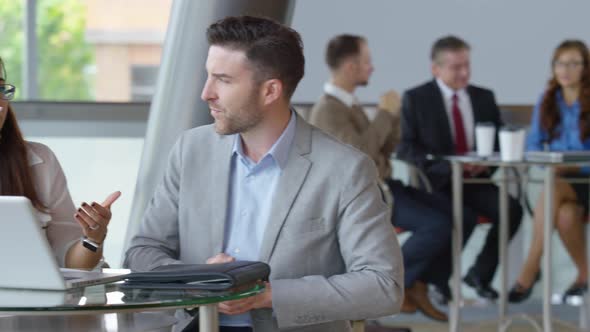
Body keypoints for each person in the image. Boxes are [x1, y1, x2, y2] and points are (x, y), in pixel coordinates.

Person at [124, 16, 403, 332]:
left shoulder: (344, 169)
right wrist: (196, 278)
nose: (206, 93)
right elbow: (142, 252)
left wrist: (270, 295)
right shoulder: (191, 150)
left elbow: (383, 285)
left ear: (270, 91)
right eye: (208, 76)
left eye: (223, 80)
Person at [309, 34, 451, 321]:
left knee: (453, 212)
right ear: (350, 66)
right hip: (368, 194)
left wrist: (393, 117)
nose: (372, 68)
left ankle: (415, 284)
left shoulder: (350, 104)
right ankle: (394, 285)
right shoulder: (328, 110)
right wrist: (385, 114)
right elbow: (360, 157)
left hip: (386, 184)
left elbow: (384, 149)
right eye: (367, 62)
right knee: (436, 225)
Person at [397, 35, 523, 300]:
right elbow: (407, 147)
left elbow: (498, 139)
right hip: (438, 183)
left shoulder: (484, 97)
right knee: (461, 217)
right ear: (436, 69)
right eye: (456, 67)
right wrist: (444, 166)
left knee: (511, 209)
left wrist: (485, 163)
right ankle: (436, 281)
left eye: (467, 65)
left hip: (476, 181)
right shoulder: (416, 98)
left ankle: (480, 273)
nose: (464, 73)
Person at [0, 56, 120, 269]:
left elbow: (73, 264)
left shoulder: (38, 162)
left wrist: (92, 238)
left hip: (28, 300)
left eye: (1, 90)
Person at [509, 40, 590, 303]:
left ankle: (530, 268)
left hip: (585, 178)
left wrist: (575, 164)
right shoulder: (547, 100)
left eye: (573, 63)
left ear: (585, 67)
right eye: (560, 63)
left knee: (554, 185)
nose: (565, 69)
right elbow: (533, 145)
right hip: (562, 180)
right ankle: (585, 274)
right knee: (565, 216)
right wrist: (550, 162)